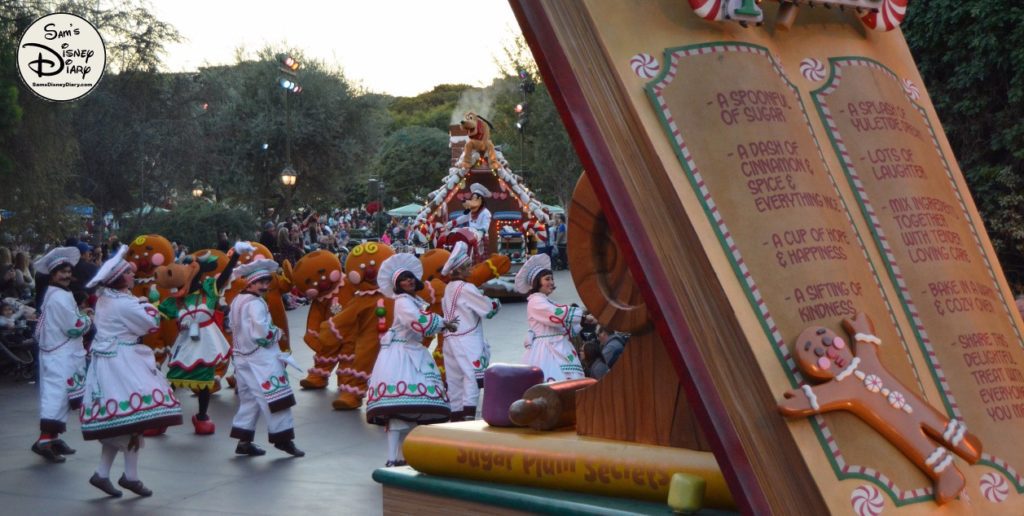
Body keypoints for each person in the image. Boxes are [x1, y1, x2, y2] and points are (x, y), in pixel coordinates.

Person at [81, 245, 183, 497]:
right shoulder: (123, 304)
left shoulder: (107, 299)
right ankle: (128, 476)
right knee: (132, 419)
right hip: (122, 362)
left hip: (111, 361)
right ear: (118, 279)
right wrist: (150, 302)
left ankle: (104, 474)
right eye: (127, 272)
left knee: (121, 424)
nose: (132, 273)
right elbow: (150, 323)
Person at [365, 253, 457, 467]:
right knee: (399, 407)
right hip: (401, 355)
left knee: (410, 409)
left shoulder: (414, 301)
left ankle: (401, 456)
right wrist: (443, 323)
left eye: (410, 278)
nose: (408, 281)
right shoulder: (403, 302)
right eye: (403, 279)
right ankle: (392, 457)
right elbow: (418, 323)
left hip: (413, 352)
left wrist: (443, 323)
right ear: (397, 285)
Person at [228, 257, 304, 457]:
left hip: (241, 357)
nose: (264, 286)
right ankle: (283, 439)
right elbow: (261, 333)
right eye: (260, 282)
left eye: (266, 282)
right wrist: (278, 333)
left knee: (251, 399)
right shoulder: (255, 303)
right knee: (276, 397)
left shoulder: (237, 299)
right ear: (250, 282)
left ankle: (244, 441)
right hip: (260, 358)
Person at [30, 246, 92, 464]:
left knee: (62, 395)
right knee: (56, 396)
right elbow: (74, 327)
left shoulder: (57, 293)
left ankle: (53, 437)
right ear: (53, 274)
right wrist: (87, 318)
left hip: (60, 353)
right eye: (61, 272)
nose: (66, 275)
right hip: (61, 355)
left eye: (68, 271)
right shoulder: (60, 297)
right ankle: (44, 440)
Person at [440, 242, 499, 421]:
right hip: (467, 338)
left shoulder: (449, 288)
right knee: (471, 378)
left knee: (454, 381)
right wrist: (495, 301)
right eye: (468, 266)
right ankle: (468, 419)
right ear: (459, 269)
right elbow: (487, 310)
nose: (471, 269)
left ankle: (456, 418)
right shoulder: (466, 288)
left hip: (449, 339)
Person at [514, 253, 596, 382]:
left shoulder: (546, 301)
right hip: (546, 350)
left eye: (552, 279)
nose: (551, 282)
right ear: (536, 282)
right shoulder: (535, 302)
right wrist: (584, 317)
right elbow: (557, 314)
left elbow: (562, 318)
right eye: (547, 279)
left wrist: (584, 320)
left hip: (557, 345)